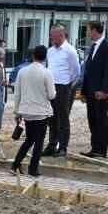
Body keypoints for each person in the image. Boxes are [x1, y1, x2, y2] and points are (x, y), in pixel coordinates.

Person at [10, 45, 55, 178]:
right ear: (45, 57)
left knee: (29, 140)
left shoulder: (22, 71)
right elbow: (52, 95)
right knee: (39, 142)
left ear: (33, 55)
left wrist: (17, 112)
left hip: (26, 111)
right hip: (41, 112)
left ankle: (15, 165)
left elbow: (17, 93)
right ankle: (33, 169)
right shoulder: (46, 72)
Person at [43, 25, 82, 157]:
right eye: (50, 35)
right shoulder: (50, 51)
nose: (50, 37)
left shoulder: (70, 51)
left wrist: (68, 85)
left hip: (64, 87)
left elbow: (76, 72)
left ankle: (63, 147)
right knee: (51, 117)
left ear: (61, 35)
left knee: (63, 117)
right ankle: (52, 145)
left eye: (52, 35)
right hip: (51, 86)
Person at [80, 21, 108, 158]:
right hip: (90, 92)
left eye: (88, 30)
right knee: (92, 120)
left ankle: (102, 150)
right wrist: (83, 92)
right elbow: (87, 72)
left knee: (101, 119)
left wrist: (105, 91)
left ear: (94, 30)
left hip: (100, 92)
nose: (87, 33)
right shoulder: (93, 47)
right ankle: (95, 148)